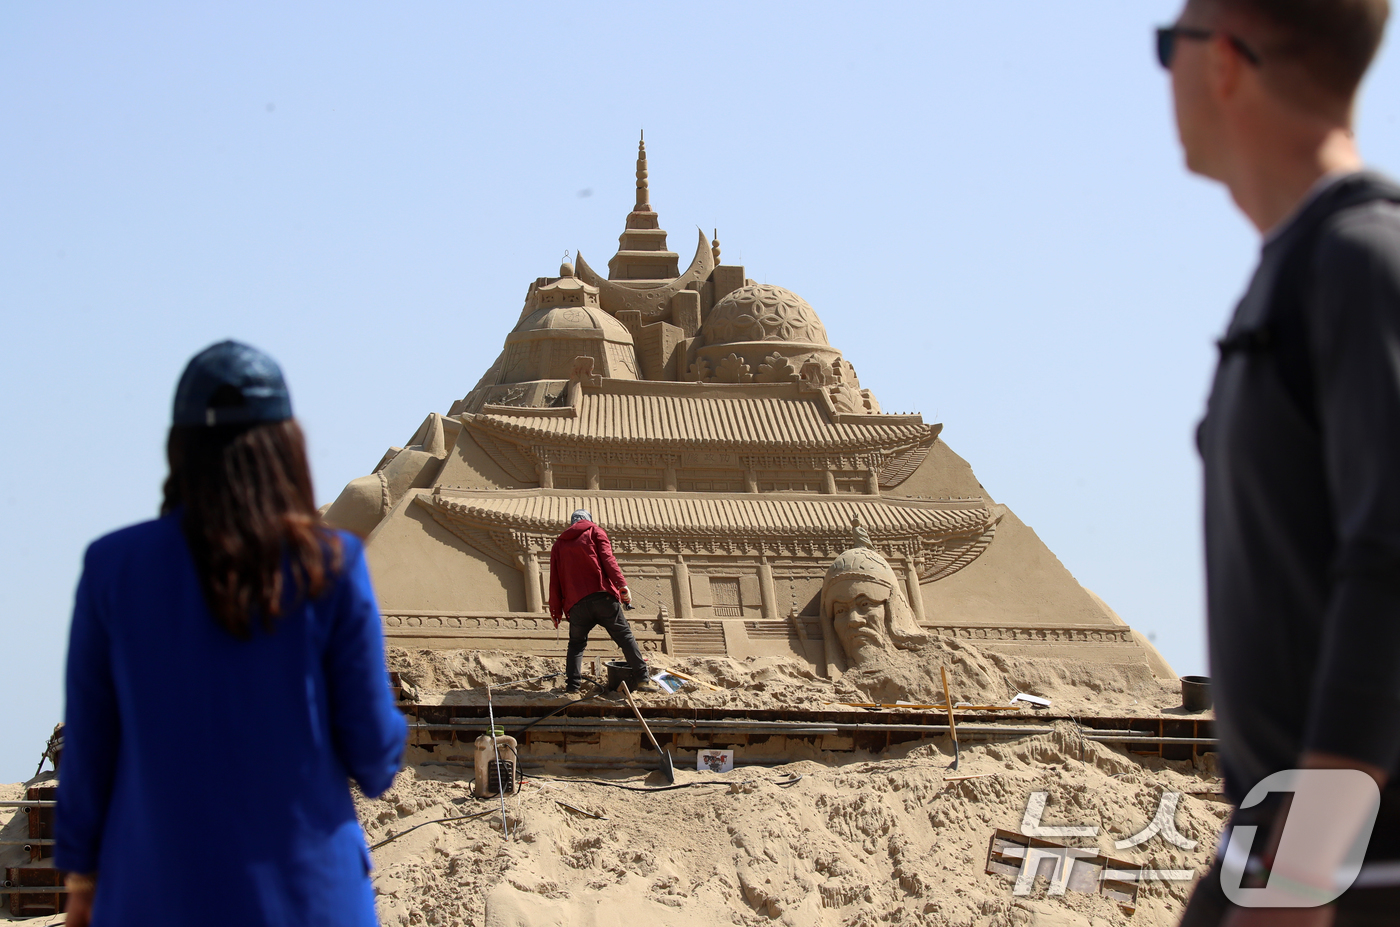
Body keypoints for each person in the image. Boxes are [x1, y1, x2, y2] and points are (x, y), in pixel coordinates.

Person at [1160, 1, 1400, 924]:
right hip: (1278, 844)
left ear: (1222, 61)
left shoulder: (1362, 262)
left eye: (1164, 48)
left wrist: (1303, 870)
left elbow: (1389, 565)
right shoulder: (1296, 271)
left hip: (1353, 868)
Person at [54, 341, 407, 927]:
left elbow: (90, 751)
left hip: (154, 897)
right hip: (310, 900)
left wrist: (83, 881)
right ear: (286, 450)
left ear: (181, 449)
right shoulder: (330, 564)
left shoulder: (112, 566)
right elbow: (373, 756)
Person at [548, 509, 647, 692]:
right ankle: (642, 679)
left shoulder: (558, 545)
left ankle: (572, 687)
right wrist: (621, 585)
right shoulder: (595, 531)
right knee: (625, 637)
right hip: (602, 596)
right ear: (588, 520)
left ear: (572, 523)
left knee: (576, 645)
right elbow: (608, 560)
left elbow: (554, 580)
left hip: (576, 604)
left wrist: (555, 611)